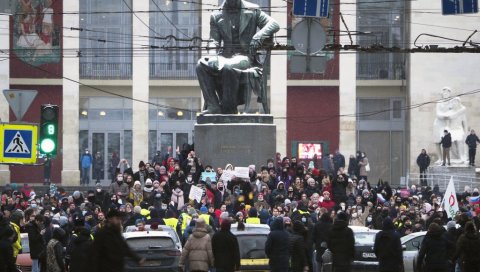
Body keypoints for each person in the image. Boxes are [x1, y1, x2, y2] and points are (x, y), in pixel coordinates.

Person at [196, 0, 280, 114]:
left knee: (228, 67)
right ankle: (213, 106)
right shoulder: (216, 15)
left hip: (246, 58)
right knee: (201, 64)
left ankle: (228, 109)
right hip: (224, 57)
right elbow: (213, 41)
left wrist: (258, 36)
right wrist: (211, 56)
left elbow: (274, 24)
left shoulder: (253, 10)